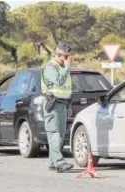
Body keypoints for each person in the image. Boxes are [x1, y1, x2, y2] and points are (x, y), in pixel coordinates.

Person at [41, 41, 74, 173]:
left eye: (68, 57)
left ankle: (53, 162)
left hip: (62, 104)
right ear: (57, 55)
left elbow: (66, 89)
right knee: (54, 134)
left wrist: (69, 105)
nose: (67, 59)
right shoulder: (50, 67)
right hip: (53, 104)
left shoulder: (62, 68)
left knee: (59, 136)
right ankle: (59, 162)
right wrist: (67, 67)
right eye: (65, 57)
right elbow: (59, 81)